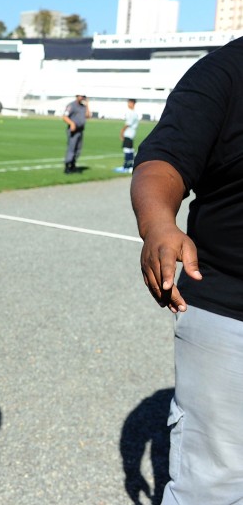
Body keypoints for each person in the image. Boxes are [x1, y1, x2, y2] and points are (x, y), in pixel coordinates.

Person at [130, 34, 243, 504]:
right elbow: (162, 162)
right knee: (215, 484)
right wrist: (158, 226)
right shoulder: (225, 71)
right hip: (230, 308)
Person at [62, 93, 89, 174]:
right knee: (71, 148)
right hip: (73, 130)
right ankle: (67, 166)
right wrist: (71, 123)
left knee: (78, 149)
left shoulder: (83, 107)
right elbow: (65, 117)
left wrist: (88, 105)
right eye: (81, 96)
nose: (82, 98)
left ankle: (73, 165)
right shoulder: (71, 105)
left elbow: (88, 116)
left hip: (80, 130)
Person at [115, 98, 139, 173]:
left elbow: (127, 124)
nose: (128, 104)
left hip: (128, 134)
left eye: (129, 102)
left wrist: (122, 132)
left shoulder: (132, 113)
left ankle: (127, 166)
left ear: (133, 103)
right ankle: (130, 165)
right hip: (131, 134)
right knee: (130, 150)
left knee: (127, 150)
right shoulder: (133, 113)